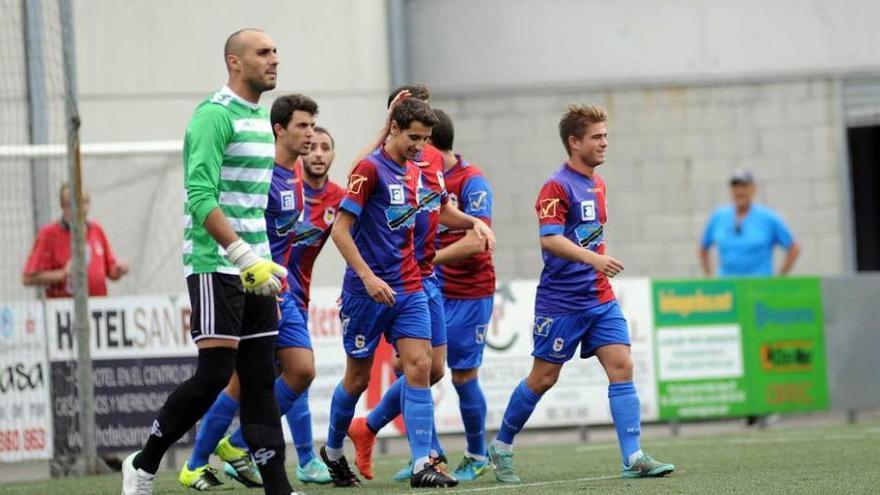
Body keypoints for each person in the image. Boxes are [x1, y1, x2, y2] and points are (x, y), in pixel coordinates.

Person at [121, 28, 300, 495]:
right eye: (263, 53)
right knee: (216, 374)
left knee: (261, 380)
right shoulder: (213, 116)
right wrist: (240, 254)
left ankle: (279, 489)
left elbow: (252, 203)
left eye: (276, 52)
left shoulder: (261, 119)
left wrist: (262, 260)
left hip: (256, 267)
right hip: (215, 263)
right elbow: (201, 197)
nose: (274, 59)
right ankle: (143, 464)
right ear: (234, 62)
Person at [487, 105, 675, 484]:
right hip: (562, 302)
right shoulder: (556, 186)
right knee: (543, 379)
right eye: (596, 137)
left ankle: (633, 456)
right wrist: (594, 259)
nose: (605, 142)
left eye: (606, 135)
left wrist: (595, 265)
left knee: (622, 365)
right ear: (574, 142)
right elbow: (550, 238)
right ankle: (502, 446)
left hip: (599, 298)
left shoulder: (598, 184)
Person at [321, 97, 490, 488]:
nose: (420, 146)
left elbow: (437, 211)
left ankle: (421, 464)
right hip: (367, 291)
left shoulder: (418, 171)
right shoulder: (369, 169)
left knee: (421, 366)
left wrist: (473, 223)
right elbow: (340, 231)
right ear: (394, 128)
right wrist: (366, 277)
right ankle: (332, 450)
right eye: (414, 137)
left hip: (410, 287)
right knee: (358, 379)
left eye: (426, 139)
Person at [179, 96, 336, 490]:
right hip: (257, 287)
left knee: (296, 372)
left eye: (316, 132)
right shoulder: (262, 176)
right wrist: (259, 285)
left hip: (284, 288)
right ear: (279, 129)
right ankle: (195, 462)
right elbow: (244, 230)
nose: (312, 138)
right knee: (239, 379)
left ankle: (236, 445)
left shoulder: (297, 174)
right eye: (304, 129)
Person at [430, 109, 496, 481]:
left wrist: (429, 258)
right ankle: (430, 454)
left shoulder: (473, 182)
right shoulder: (426, 176)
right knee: (414, 368)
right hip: (434, 288)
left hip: (470, 291)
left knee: (462, 376)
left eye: (424, 143)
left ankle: (476, 453)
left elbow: (478, 241)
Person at [22, 183, 129, 297]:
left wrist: (117, 270)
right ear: (63, 206)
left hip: (97, 307)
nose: (80, 208)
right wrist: (62, 274)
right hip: (64, 308)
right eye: (73, 204)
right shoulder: (49, 234)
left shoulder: (96, 230)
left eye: (84, 202)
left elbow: (110, 271)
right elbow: (27, 279)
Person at [699, 169, 800, 277]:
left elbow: (793, 248)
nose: (740, 191)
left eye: (744, 186)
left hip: (759, 287)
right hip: (728, 287)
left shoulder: (768, 218)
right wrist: (709, 278)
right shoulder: (719, 217)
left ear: (753, 189)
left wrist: (779, 279)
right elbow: (703, 248)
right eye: (736, 187)